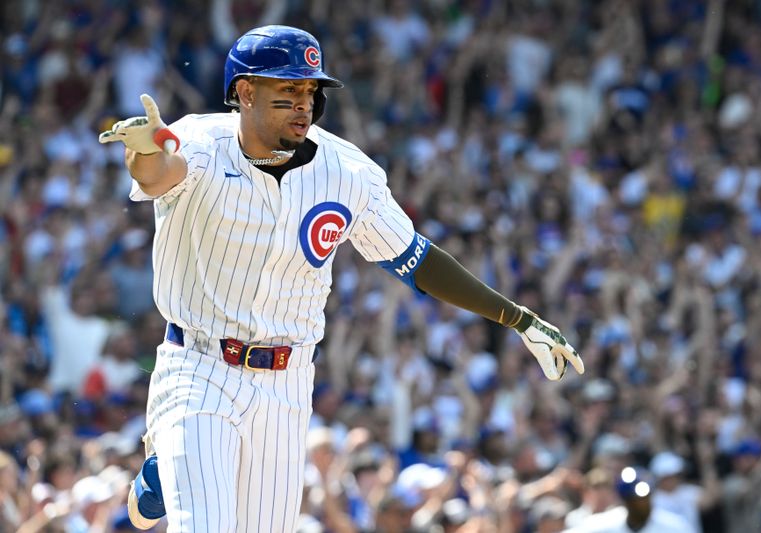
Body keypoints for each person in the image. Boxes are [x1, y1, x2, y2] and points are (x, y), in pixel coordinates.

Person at [98, 25, 584, 532]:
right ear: (244, 92)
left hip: (287, 380)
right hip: (199, 365)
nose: (303, 103)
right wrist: (145, 152)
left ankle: (164, 477)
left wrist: (519, 318)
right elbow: (159, 173)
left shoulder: (348, 173)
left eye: (310, 90)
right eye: (287, 90)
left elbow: (417, 260)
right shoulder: (201, 139)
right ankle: (172, 467)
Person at [564, 467, 691, 533]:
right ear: (625, 500)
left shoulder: (675, 527)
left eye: (644, 498)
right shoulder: (606, 523)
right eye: (633, 499)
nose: (640, 503)